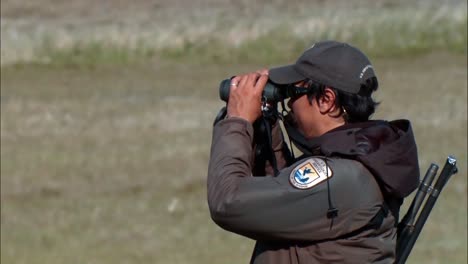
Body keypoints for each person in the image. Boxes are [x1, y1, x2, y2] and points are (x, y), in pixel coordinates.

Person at [207, 40, 420, 264]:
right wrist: (265, 124)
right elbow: (280, 190)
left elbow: (228, 202)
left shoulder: (343, 178)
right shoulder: (356, 159)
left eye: (294, 91)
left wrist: (236, 121)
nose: (288, 102)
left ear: (326, 100)